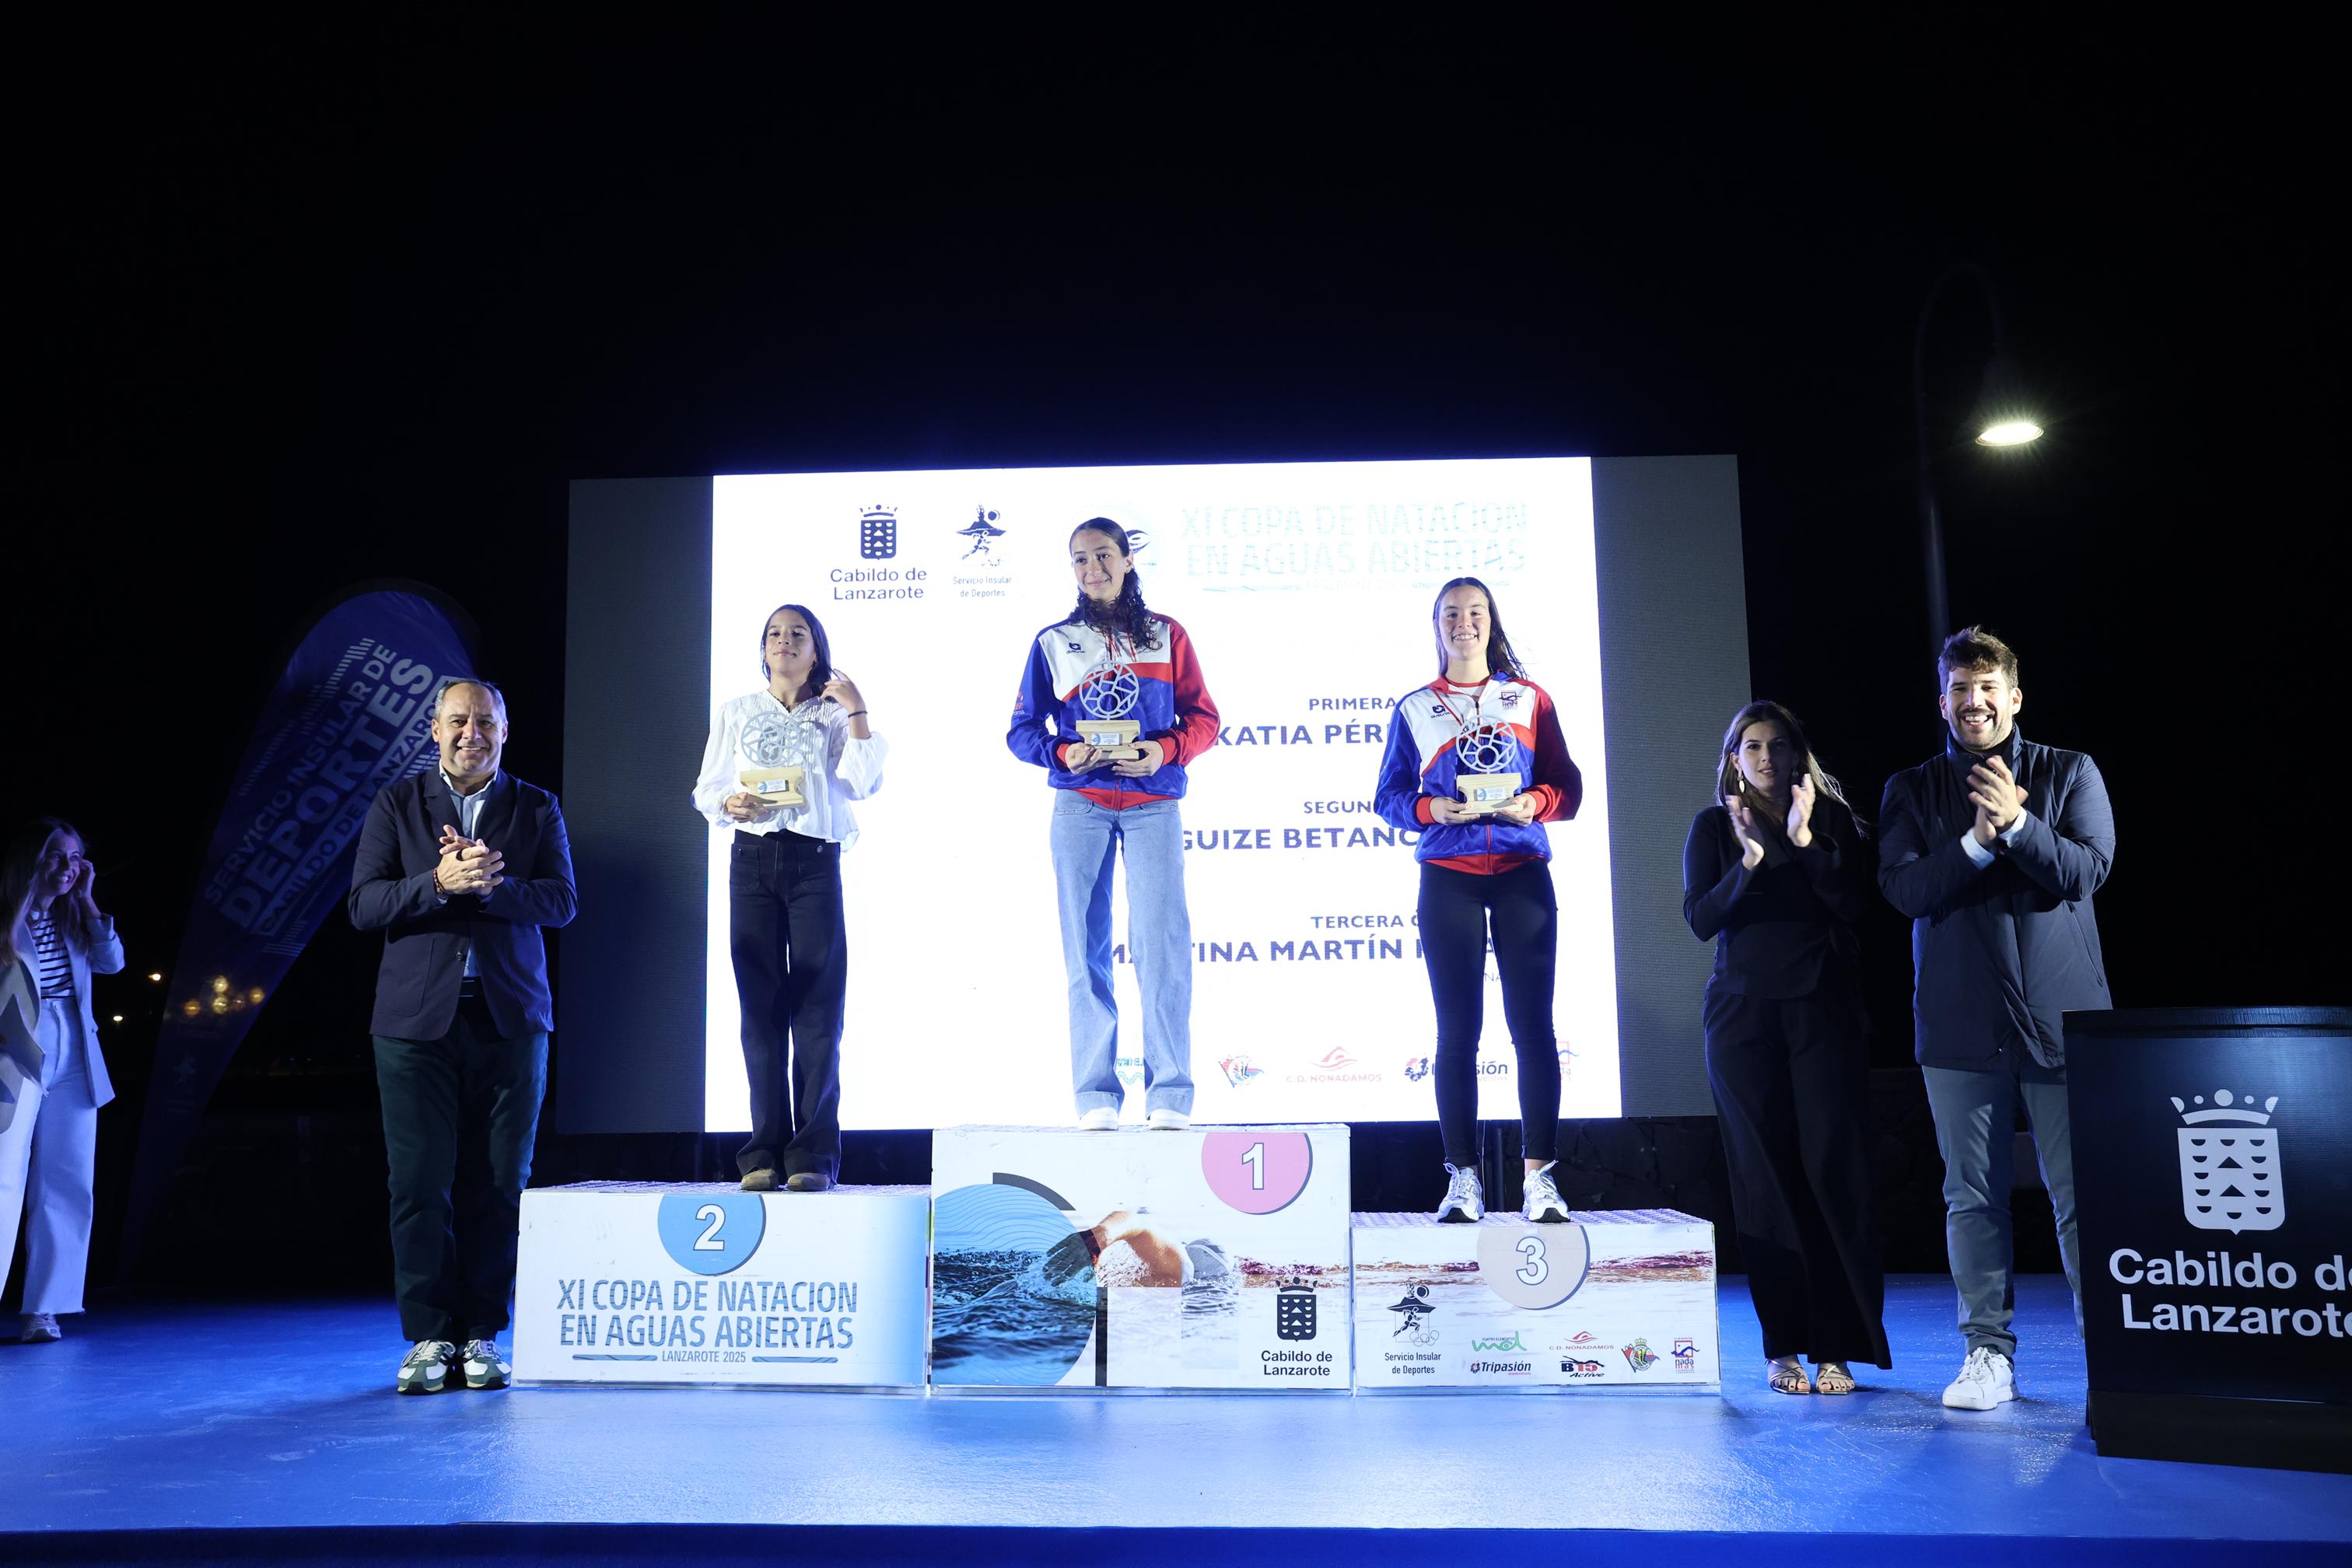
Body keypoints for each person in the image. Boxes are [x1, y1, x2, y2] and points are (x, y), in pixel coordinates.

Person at [1879, 626, 2113, 1412]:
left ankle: (2107, 1352)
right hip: (1957, 1024)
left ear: (2014, 697)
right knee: (1971, 1196)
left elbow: (2087, 870)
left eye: (1986, 688)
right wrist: (1978, 846)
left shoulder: (2069, 772)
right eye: (1958, 688)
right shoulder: (1911, 790)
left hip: (2062, 1017)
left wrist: (2017, 824)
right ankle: (1987, 1354)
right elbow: (1906, 892)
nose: (1972, 701)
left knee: (2082, 1193)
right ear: (1941, 701)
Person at [348, 677, 576, 1395]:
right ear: (434, 729)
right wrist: (440, 883)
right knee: (419, 1184)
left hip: (511, 1021)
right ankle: (427, 1337)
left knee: (500, 1182)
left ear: (504, 733)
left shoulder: (536, 806)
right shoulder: (397, 803)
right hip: (415, 1027)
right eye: (457, 720)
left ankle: (481, 1334)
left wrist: (494, 886)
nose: (470, 732)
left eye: (484, 722)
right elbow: (364, 905)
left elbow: (562, 902)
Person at [1682, 702, 1888, 1396]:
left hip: (1822, 1012)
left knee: (1833, 1172)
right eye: (1751, 746)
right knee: (1763, 1180)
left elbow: (1853, 905)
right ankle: (1783, 1349)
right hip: (1741, 1022)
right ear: (1733, 759)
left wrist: (1801, 842)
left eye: (1777, 744)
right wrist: (1748, 863)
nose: (1765, 757)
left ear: (1797, 753)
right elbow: (1700, 918)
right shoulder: (1714, 826)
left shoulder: (1828, 820)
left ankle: (1837, 1346)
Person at [1374, 577, 1582, 1223]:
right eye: (1452, 614)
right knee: (1458, 1031)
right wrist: (1432, 806)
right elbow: (1387, 798)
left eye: (1476, 613)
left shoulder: (1529, 699)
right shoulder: (1414, 707)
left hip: (1522, 868)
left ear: (1492, 623)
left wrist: (1534, 803)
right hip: (1448, 873)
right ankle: (1462, 1178)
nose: (1464, 623)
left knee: (1532, 1027)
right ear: (1437, 626)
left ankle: (1538, 1178)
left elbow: (1568, 787)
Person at [1007, 518, 1220, 1130]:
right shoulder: (1054, 641)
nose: (1092, 567)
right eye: (1079, 559)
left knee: (1162, 946)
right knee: (1085, 948)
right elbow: (1022, 730)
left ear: (1128, 559)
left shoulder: (1167, 635)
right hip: (1082, 804)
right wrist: (1061, 753)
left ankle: (1170, 1094)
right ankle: (1095, 1095)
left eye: (1103, 555)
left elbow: (1204, 718)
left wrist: (1165, 750)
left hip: (1153, 801)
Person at [691, 603, 884, 1193]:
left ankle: (814, 1156)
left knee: (819, 1009)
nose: (784, 642)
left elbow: (860, 783)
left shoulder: (832, 714)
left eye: (797, 633)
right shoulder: (737, 711)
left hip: (814, 862)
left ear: (816, 647)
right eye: (774, 634)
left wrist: (856, 710)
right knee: (760, 1009)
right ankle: (762, 1154)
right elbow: (707, 787)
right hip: (751, 861)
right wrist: (730, 806)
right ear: (763, 649)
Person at [0, 819, 124, 1343]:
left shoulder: (77, 919)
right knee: (4, 1178)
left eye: (75, 859)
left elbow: (113, 963)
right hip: (15, 1048)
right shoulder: (10, 919)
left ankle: (44, 1309)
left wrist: (91, 903)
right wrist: (24, 896)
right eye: (55, 856)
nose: (68, 868)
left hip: (74, 1047)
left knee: (68, 1180)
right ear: (31, 860)